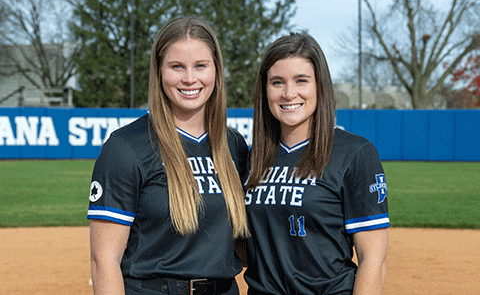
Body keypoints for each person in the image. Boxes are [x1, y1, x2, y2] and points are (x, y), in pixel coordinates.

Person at [87, 16, 250, 295]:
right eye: (177, 67)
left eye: (201, 66)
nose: (190, 78)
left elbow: (243, 245)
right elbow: (104, 260)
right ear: (160, 71)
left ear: (216, 71)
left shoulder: (232, 145)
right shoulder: (126, 147)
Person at [243, 33, 389, 295]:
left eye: (301, 80)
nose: (289, 93)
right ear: (265, 90)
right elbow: (246, 250)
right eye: (277, 82)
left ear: (320, 85)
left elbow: (373, 260)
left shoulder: (354, 153)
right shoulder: (252, 159)